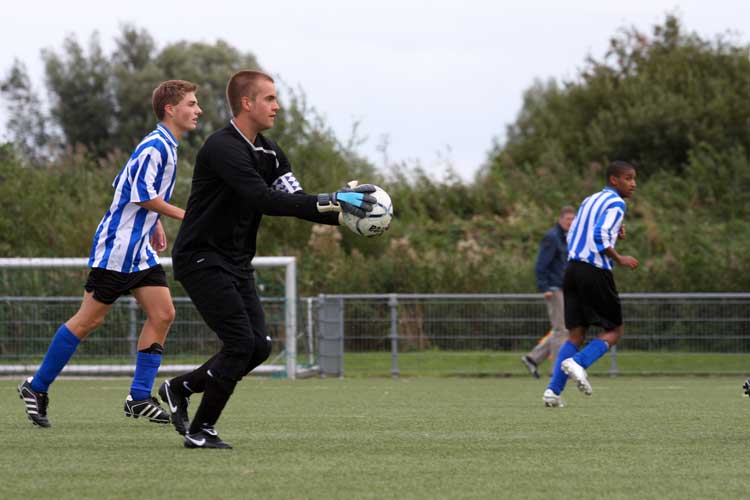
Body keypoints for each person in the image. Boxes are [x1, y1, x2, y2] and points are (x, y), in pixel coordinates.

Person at [157, 69, 376, 449]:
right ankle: (200, 430)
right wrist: (332, 200)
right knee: (240, 344)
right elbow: (262, 198)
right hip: (201, 258)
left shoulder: (271, 153)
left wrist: (345, 209)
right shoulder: (222, 148)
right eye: (269, 99)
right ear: (247, 103)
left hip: (236, 263)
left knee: (258, 346)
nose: (276, 106)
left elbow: (297, 200)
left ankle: (182, 387)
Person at [17, 80, 202, 427]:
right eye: (191, 104)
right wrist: (184, 215)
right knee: (89, 320)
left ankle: (138, 397)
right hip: (118, 247)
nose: (198, 110)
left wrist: (156, 223)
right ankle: (35, 386)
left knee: (163, 314)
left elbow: (123, 183)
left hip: (140, 249)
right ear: (170, 109)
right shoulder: (155, 146)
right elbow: (141, 194)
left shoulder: (166, 145)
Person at [542, 161, 639, 407]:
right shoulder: (617, 203)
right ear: (614, 180)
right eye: (628, 178)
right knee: (614, 330)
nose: (633, 184)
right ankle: (580, 363)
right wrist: (620, 257)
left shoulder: (589, 200)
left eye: (634, 179)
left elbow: (577, 233)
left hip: (572, 270)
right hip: (594, 270)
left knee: (575, 333)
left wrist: (614, 232)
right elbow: (598, 235)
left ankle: (553, 391)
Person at [521, 206, 576, 378]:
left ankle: (533, 358)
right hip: (554, 288)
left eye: (573, 219)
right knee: (561, 330)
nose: (570, 222)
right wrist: (544, 287)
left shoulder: (568, 237)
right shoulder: (552, 237)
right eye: (568, 219)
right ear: (560, 219)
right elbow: (541, 265)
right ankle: (557, 371)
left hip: (565, 288)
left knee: (562, 329)